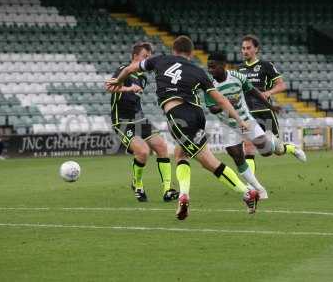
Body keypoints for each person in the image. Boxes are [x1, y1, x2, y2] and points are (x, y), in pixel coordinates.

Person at [106, 36, 259, 220]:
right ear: (191, 53)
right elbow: (220, 98)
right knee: (180, 154)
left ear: (174, 50)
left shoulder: (160, 60)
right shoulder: (198, 71)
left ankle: (246, 192)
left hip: (179, 117)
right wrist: (239, 120)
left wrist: (118, 82)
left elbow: (131, 68)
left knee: (209, 162)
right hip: (197, 115)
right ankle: (183, 195)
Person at [206, 52, 303, 199]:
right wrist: (224, 105)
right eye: (209, 67)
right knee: (237, 157)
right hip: (229, 127)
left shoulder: (237, 77)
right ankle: (259, 189)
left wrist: (270, 106)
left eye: (213, 67)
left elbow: (253, 91)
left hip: (247, 121)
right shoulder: (209, 85)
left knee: (267, 152)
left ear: (223, 65)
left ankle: (279, 144)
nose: (210, 70)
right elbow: (212, 109)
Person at [107, 42, 178, 203]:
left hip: (140, 118)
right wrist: (128, 88)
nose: (148, 59)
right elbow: (110, 88)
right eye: (145, 56)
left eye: (149, 57)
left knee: (162, 146)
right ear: (135, 57)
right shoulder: (122, 69)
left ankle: (167, 189)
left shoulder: (143, 77)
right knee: (143, 152)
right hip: (122, 121)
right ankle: (137, 184)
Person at [238, 34, 306, 173]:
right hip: (248, 115)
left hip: (264, 112)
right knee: (248, 147)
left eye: (248, 48)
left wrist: (269, 93)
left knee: (277, 150)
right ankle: (253, 186)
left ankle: (291, 148)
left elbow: (281, 85)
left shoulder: (266, 65)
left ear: (256, 49)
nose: (245, 51)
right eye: (243, 48)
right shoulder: (239, 69)